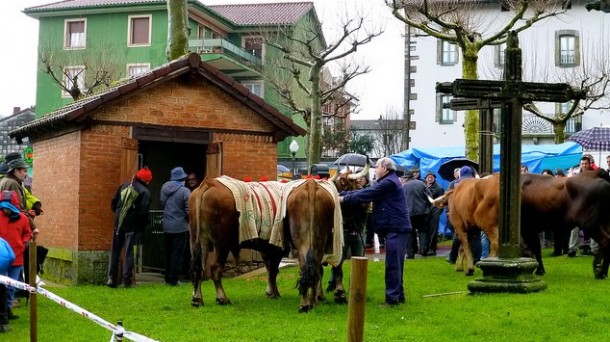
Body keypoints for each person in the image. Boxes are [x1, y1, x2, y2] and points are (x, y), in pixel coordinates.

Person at [340, 157, 411, 306]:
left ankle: (392, 300)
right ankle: (399, 296)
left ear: (384, 168)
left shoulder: (388, 183)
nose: (375, 170)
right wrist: (344, 195)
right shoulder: (389, 181)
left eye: (377, 167)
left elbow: (365, 194)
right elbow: (367, 192)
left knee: (392, 265)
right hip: (397, 229)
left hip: (396, 229)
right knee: (397, 265)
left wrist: (341, 199)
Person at [107, 167, 152, 288]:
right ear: (146, 180)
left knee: (115, 251)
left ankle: (111, 279)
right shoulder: (144, 192)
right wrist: (142, 225)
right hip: (132, 225)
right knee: (128, 253)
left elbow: (113, 203)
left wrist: (119, 215)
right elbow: (143, 212)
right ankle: (127, 281)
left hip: (118, 223)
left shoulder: (123, 185)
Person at [0, 190, 33, 323]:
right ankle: (4, 312)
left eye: (9, 208)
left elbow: (27, 232)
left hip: (17, 257)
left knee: (11, 286)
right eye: (4, 207)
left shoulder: (23, 218)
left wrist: (25, 241)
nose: (6, 211)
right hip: (2, 259)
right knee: (2, 286)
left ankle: (7, 308)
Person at [160, 167, 191, 286]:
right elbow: (189, 210)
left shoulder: (164, 189)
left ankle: (167, 278)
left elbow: (162, 203)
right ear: (182, 179)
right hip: (181, 227)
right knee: (177, 254)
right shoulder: (185, 191)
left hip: (167, 226)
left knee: (168, 253)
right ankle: (174, 279)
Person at [447, 166, 481, 264]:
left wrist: (449, 211)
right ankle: (476, 259)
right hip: (475, 214)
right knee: (476, 237)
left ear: (460, 173)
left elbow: (450, 198)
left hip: (460, 214)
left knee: (458, 236)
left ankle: (452, 258)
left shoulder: (456, 183)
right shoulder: (477, 183)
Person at [567, 156, 593, 257]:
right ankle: (572, 248)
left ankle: (594, 248)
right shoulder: (576, 175)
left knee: (593, 226)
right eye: (582, 164)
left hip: (590, 205)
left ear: (589, 164)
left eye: (586, 164)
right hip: (579, 205)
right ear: (580, 165)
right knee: (575, 227)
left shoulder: (593, 175)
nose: (584, 165)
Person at [403, 170, 432, 258]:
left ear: (406, 178)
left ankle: (411, 254)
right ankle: (423, 250)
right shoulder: (421, 183)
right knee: (423, 232)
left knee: (410, 233)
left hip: (409, 213)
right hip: (423, 212)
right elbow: (429, 196)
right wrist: (427, 207)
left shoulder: (404, 186)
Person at [424, 171, 444, 256]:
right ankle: (425, 248)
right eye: (428, 177)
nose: (429, 178)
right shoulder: (423, 186)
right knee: (426, 231)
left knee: (433, 231)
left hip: (434, 212)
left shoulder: (439, 188)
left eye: (431, 177)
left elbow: (442, 202)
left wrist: (438, 212)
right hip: (425, 212)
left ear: (434, 178)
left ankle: (432, 249)